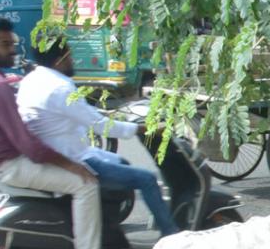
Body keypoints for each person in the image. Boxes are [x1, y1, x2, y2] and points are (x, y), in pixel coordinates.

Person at [0, 15, 128, 249]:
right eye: (4, 45)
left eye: (11, 44)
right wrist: (71, 165)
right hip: (6, 165)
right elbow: (28, 145)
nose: (12, 50)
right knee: (86, 184)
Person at [19, 38, 180, 237]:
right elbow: (100, 126)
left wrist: (114, 116)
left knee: (121, 161)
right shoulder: (59, 89)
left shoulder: (31, 80)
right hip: (73, 158)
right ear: (59, 60)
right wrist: (144, 129)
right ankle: (171, 234)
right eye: (71, 57)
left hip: (65, 151)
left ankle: (110, 221)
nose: (74, 62)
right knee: (147, 180)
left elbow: (83, 114)